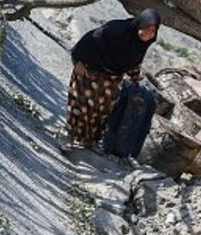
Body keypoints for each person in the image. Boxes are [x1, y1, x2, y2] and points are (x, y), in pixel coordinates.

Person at [66, 9, 161, 147]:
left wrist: (135, 77)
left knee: (102, 110)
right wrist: (78, 60)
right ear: (140, 24)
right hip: (89, 69)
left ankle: (89, 141)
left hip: (111, 78)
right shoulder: (116, 30)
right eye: (147, 28)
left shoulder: (141, 43)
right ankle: (71, 137)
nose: (149, 34)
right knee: (82, 104)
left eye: (153, 31)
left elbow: (134, 60)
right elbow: (91, 38)